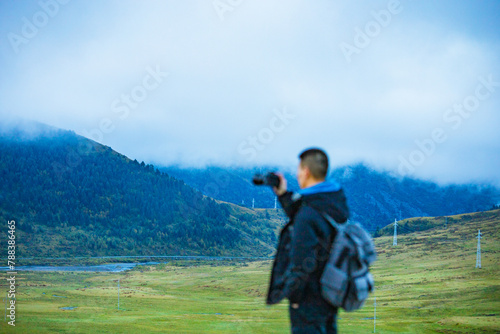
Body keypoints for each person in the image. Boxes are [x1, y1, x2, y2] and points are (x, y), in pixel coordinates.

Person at [266, 148, 350, 334]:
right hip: (329, 293)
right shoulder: (333, 201)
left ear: (305, 171)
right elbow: (310, 214)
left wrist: (293, 296)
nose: (297, 174)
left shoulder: (308, 213)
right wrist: (283, 194)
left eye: (298, 169)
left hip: (308, 301)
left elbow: (301, 264)